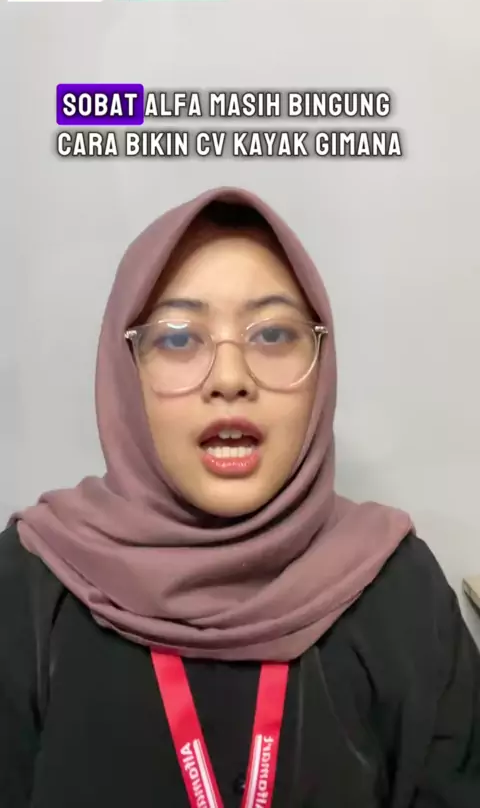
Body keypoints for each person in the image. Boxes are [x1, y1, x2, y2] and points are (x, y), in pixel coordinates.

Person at [0, 187, 479, 808]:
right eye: (178, 338)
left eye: (273, 334)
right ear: (125, 373)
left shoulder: (399, 584)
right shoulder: (28, 583)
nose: (230, 379)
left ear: (322, 366)